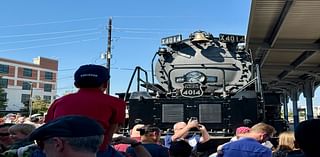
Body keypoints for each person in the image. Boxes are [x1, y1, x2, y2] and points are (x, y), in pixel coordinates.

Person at [45, 64, 126, 153]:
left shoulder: (58, 102)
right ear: (105, 84)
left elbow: (48, 128)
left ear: (76, 84)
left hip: (60, 151)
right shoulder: (117, 103)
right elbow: (112, 131)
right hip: (97, 151)